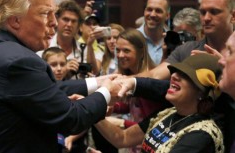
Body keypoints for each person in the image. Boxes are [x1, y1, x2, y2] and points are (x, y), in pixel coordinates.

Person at [0, 0, 121, 152]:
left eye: (54, 14)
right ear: (15, 20)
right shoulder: (19, 60)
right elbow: (71, 119)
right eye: (45, 13)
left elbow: (43, 89)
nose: (54, 22)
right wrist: (106, 92)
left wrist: (97, 82)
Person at [96, 54, 224, 153]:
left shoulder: (201, 135)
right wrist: (92, 110)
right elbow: (122, 138)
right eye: (176, 71)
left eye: (185, 75)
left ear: (201, 92)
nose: (174, 76)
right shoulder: (167, 113)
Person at [137, 0, 235, 80]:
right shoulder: (186, 50)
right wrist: (125, 80)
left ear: (233, 16)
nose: (206, 18)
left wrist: (223, 67)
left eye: (214, 12)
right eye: (202, 12)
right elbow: (154, 75)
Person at [36, 0, 84, 79]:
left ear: (78, 26)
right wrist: (64, 70)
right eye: (65, 19)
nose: (69, 24)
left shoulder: (83, 49)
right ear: (56, 20)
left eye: (73, 21)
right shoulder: (43, 47)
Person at [137, 0, 171, 65]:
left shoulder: (173, 41)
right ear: (144, 11)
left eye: (158, 11)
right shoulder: (131, 39)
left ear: (167, 16)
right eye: (149, 9)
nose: (152, 15)